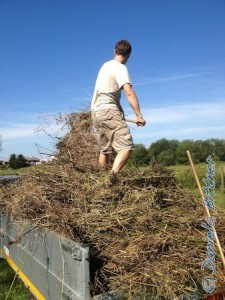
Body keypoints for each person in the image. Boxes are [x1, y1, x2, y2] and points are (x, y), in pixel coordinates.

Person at [91, 40, 146, 174]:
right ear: (128, 56)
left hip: (96, 113)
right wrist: (139, 115)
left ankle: (101, 180)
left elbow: (111, 95)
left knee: (105, 150)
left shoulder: (105, 66)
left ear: (115, 52)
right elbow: (129, 92)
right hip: (108, 110)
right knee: (126, 147)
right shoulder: (120, 68)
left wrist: (120, 113)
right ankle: (110, 180)